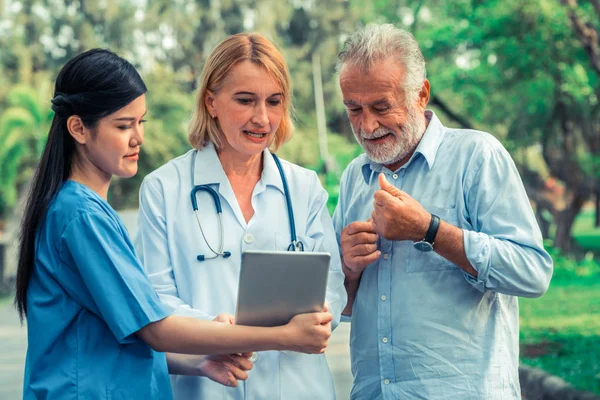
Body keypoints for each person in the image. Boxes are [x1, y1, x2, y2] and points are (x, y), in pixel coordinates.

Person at [14, 48, 333, 400]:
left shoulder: (88, 212)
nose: (138, 138)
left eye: (140, 122)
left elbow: (123, 334)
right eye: (123, 125)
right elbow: (155, 329)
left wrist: (198, 363)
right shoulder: (81, 217)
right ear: (78, 128)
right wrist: (283, 336)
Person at [333, 24, 554, 399]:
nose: (366, 125)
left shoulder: (477, 156)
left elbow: (532, 273)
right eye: (354, 109)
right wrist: (349, 270)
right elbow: (342, 305)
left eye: (381, 107)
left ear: (421, 94)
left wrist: (429, 230)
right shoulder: (354, 177)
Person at [134, 33, 346, 400]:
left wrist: (321, 315)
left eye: (274, 101)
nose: (262, 118)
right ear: (211, 101)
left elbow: (332, 281)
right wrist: (214, 332)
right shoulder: (163, 188)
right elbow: (155, 301)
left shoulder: (304, 187)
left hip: (298, 387)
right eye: (245, 100)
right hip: (205, 387)